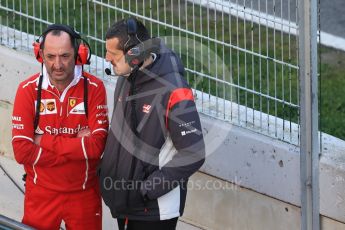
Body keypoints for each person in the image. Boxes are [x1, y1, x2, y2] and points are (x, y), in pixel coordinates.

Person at [99, 18, 205, 230]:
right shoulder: (127, 76)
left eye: (113, 54)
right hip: (126, 203)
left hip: (153, 210)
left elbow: (193, 153)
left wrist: (147, 190)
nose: (107, 58)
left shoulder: (174, 90)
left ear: (135, 55)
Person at [11, 24, 109, 230]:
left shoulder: (94, 88)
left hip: (84, 194)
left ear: (79, 54)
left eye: (65, 56)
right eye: (50, 56)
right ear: (40, 55)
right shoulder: (27, 90)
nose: (58, 64)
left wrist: (43, 141)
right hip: (40, 195)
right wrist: (76, 145)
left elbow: (97, 147)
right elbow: (21, 152)